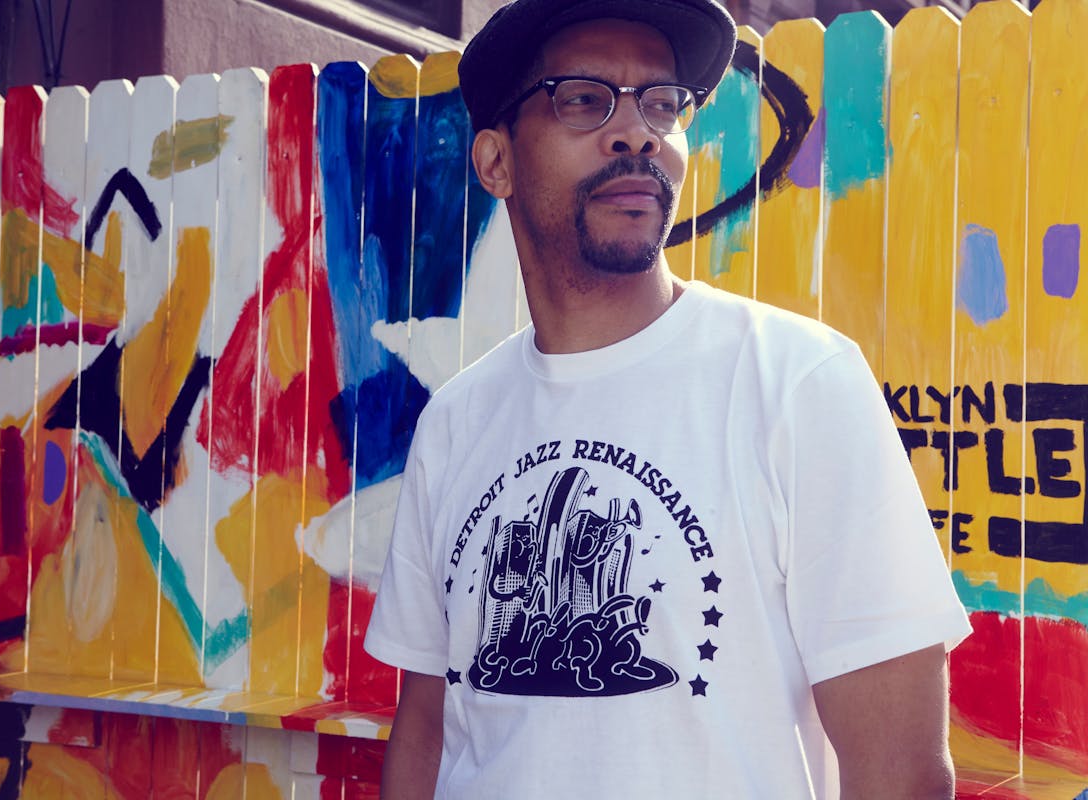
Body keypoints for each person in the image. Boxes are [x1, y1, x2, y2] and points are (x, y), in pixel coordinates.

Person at [364, 0, 972, 796]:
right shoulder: (455, 422)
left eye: (661, 103)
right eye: (584, 99)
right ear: (495, 161)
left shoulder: (798, 383)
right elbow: (427, 726)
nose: (638, 133)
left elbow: (901, 772)